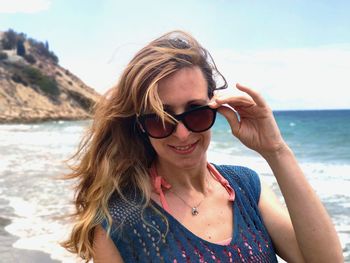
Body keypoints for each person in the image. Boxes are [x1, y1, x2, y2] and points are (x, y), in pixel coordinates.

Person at [62, 31, 343, 262]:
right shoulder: (117, 222)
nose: (182, 134)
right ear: (139, 124)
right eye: (161, 119)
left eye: (195, 111)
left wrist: (276, 150)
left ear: (215, 106)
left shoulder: (246, 187)